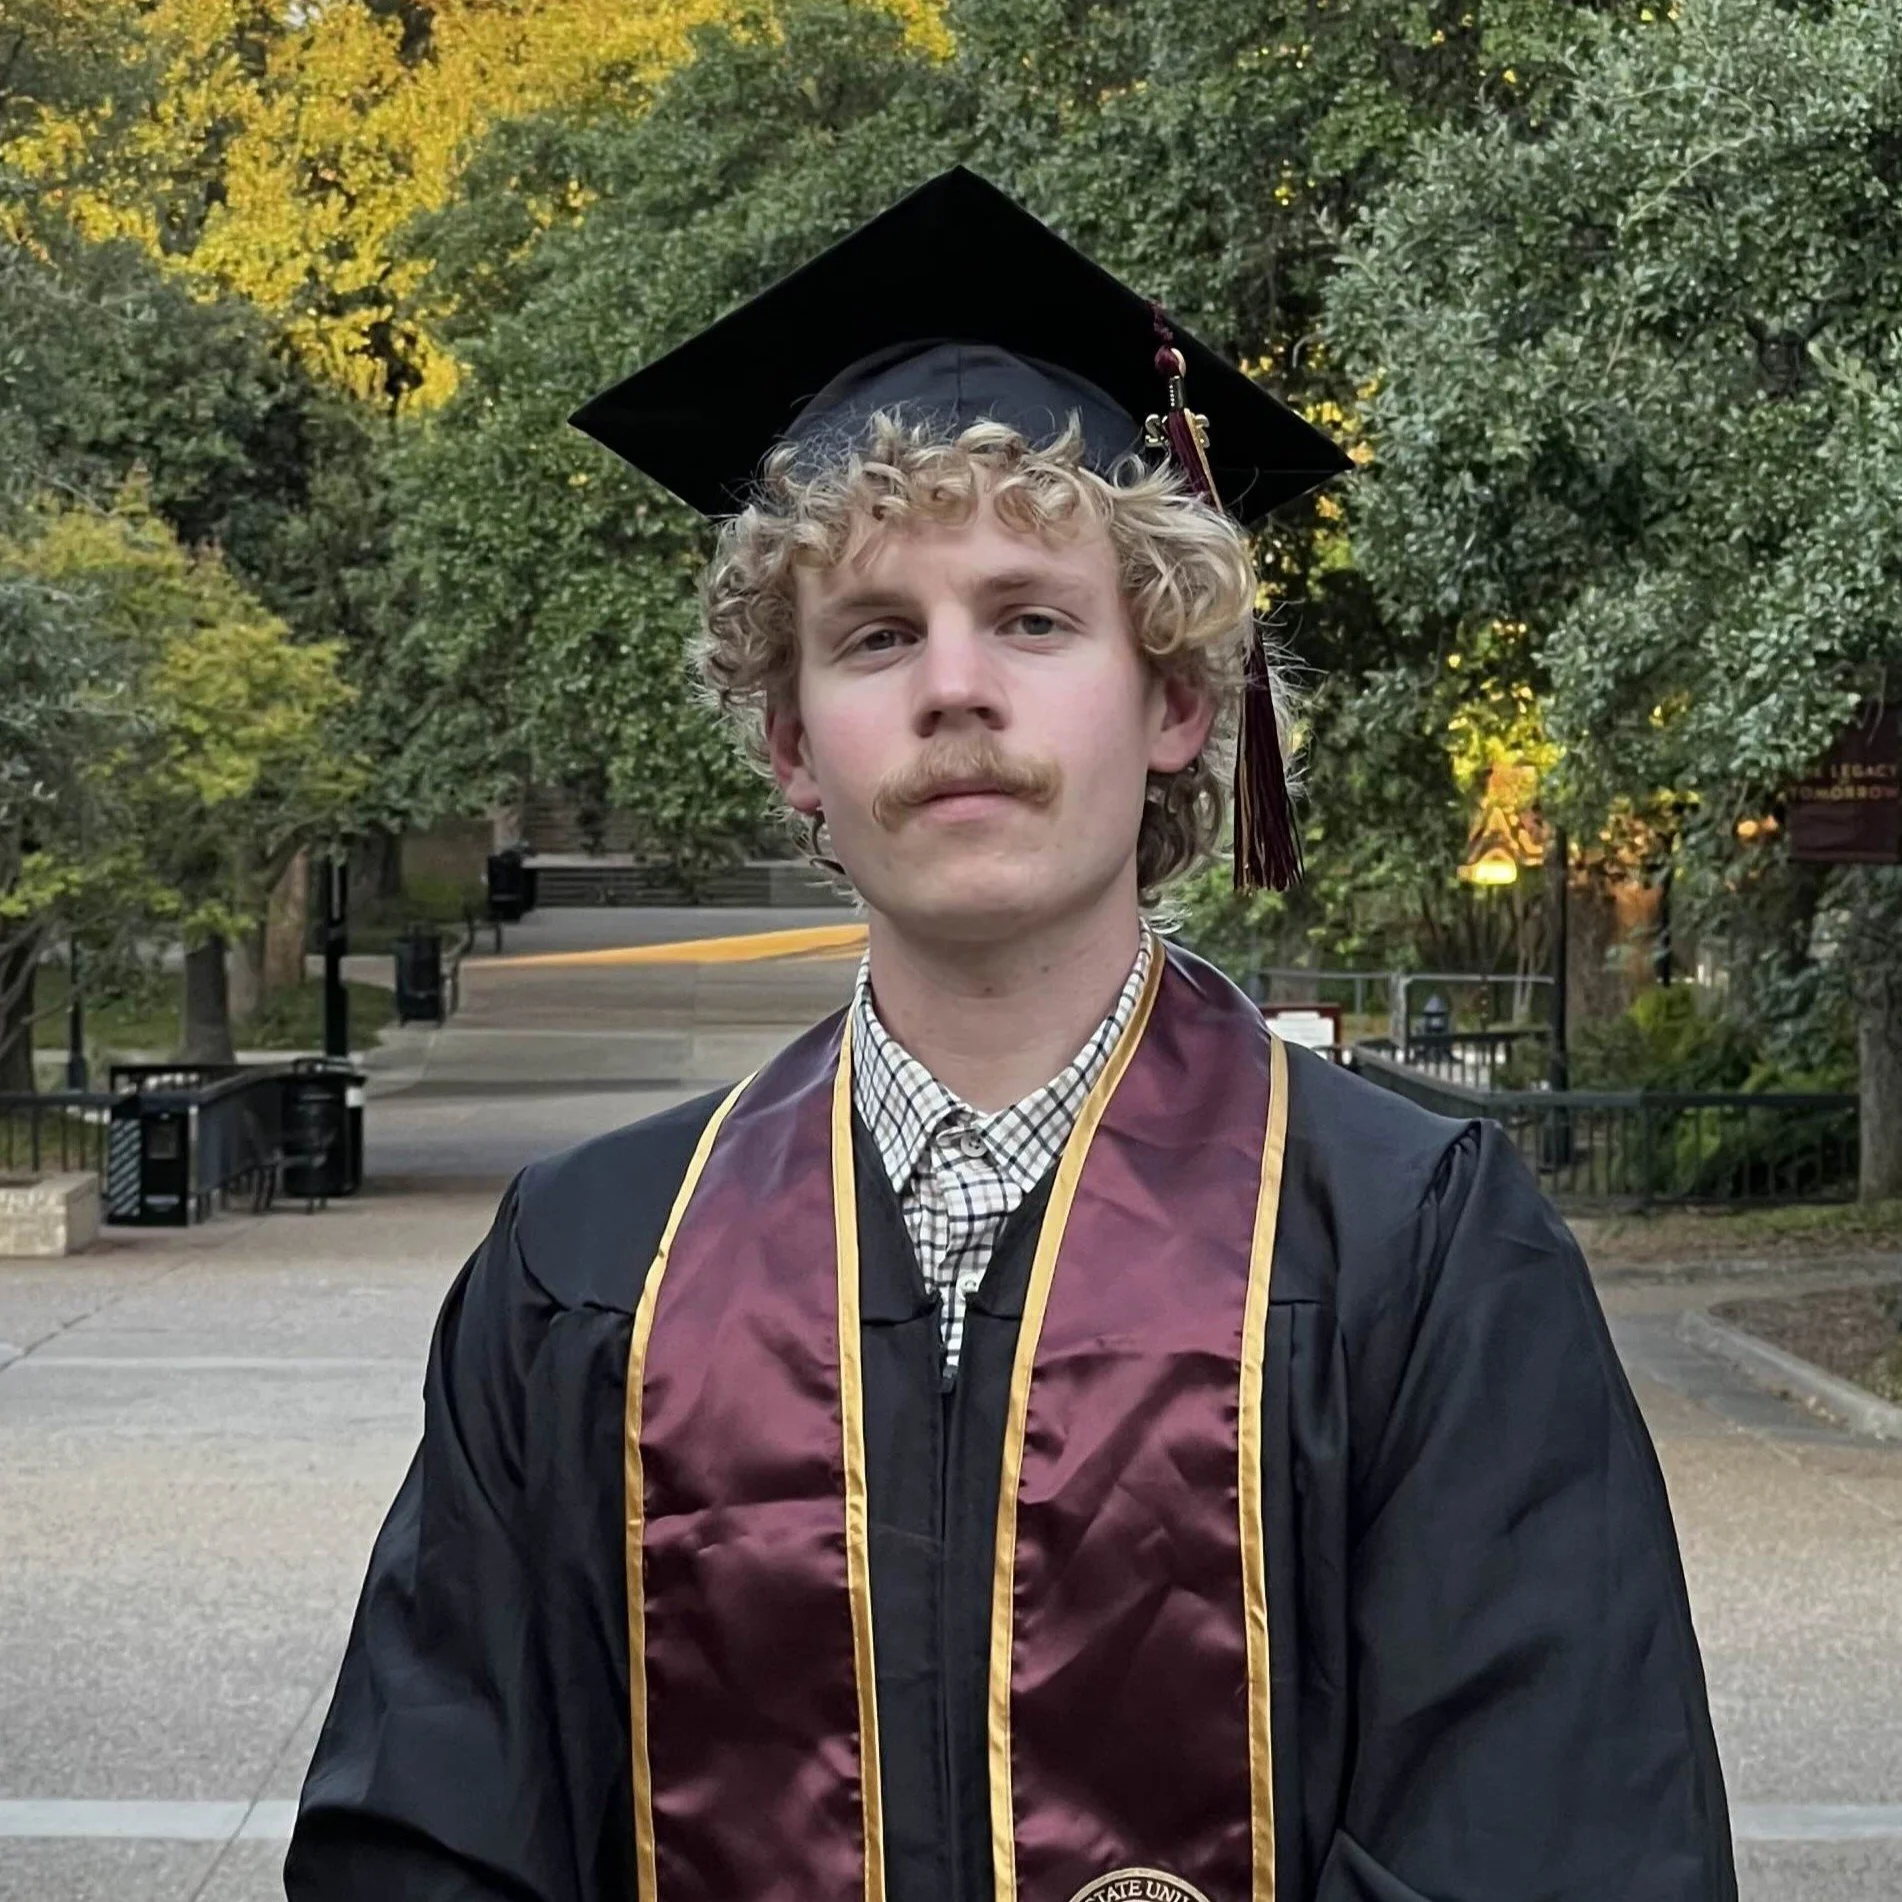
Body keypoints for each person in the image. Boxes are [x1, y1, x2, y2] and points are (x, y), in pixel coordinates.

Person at [285, 168, 1736, 1902]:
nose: (954, 685)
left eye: (1032, 619)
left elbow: (1556, 1839)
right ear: (792, 747)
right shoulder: (592, 1266)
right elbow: (430, 1846)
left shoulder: (1412, 1248)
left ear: (1178, 697)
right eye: (875, 635)